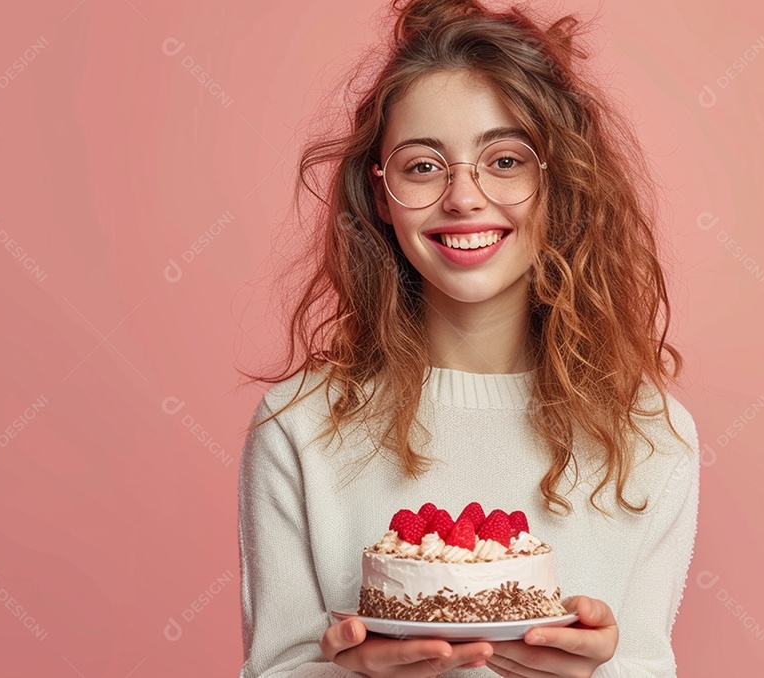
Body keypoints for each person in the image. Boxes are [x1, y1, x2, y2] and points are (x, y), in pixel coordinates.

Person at [237, 0, 700, 676]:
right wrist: (348, 674)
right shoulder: (298, 427)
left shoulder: (651, 435)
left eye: (505, 160)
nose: (464, 198)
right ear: (380, 193)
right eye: (423, 166)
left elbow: (647, 664)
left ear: (558, 178)